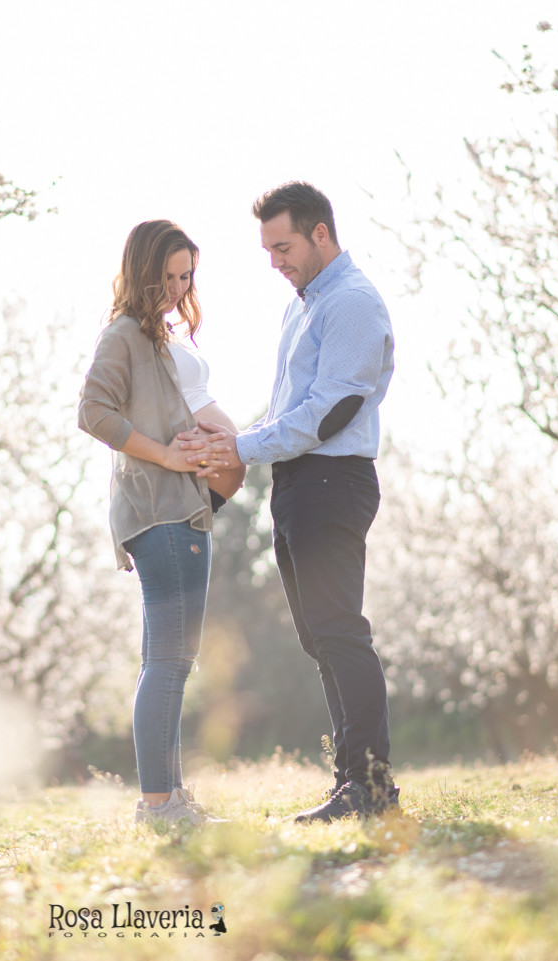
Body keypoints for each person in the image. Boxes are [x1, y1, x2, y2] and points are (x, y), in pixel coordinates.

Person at [182, 182, 398, 822]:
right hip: (299, 483)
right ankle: (352, 785)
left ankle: (372, 789)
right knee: (319, 637)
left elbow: (329, 412)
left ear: (321, 234)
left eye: (284, 246)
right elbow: (290, 412)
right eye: (268, 250)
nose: (275, 261)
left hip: (333, 480)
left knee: (340, 632)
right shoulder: (302, 307)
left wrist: (241, 448)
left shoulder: (352, 303)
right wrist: (242, 449)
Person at [78, 219, 246, 827]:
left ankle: (169, 796)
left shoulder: (154, 335)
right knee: (170, 662)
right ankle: (158, 803)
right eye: (168, 276)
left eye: (186, 277)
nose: (177, 289)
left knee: (169, 659)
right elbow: (93, 412)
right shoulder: (123, 333)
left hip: (185, 509)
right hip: (162, 509)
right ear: (142, 271)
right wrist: (172, 456)